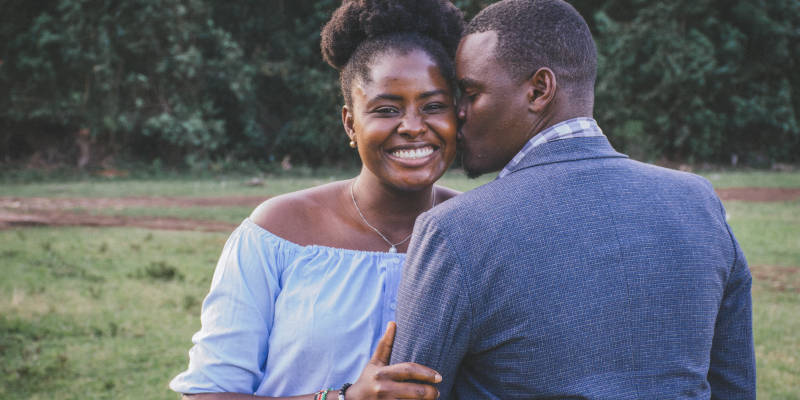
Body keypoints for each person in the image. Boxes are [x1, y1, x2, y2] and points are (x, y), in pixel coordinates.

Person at [389, 0, 757, 398]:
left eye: (471, 92)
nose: (457, 112)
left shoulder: (454, 230)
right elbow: (734, 387)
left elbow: (410, 395)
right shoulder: (698, 202)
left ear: (539, 90)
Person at [169, 1, 464, 398]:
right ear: (350, 123)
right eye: (387, 109)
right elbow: (208, 392)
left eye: (433, 106)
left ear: (458, 116)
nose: (412, 127)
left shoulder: (476, 230)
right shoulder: (278, 230)